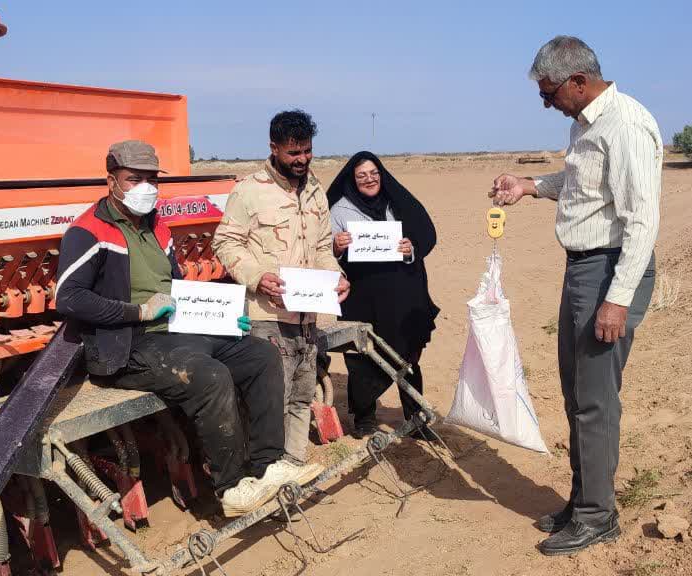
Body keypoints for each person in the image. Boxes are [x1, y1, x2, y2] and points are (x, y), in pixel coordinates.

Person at [56, 140, 309, 518]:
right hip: (129, 344)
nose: (146, 188)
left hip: (175, 333)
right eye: (134, 179)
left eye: (151, 180)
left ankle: (267, 466)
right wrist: (138, 311)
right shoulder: (88, 231)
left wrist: (222, 318)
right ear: (112, 181)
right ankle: (232, 486)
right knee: (209, 375)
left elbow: (178, 288)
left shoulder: (158, 227)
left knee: (260, 354)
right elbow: (69, 298)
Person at [488, 36, 661, 556]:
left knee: (594, 400)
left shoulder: (626, 125)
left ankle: (597, 515)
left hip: (610, 272)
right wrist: (529, 186)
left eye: (548, 93)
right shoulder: (585, 124)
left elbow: (642, 220)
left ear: (578, 82)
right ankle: (584, 497)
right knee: (576, 394)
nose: (546, 102)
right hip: (584, 270)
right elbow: (581, 183)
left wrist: (617, 299)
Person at [213, 110, 348, 484]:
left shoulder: (316, 190)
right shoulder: (250, 190)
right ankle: (261, 480)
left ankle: (291, 474)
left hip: (307, 317)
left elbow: (322, 247)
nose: (302, 159)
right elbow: (224, 242)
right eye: (293, 153)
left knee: (301, 398)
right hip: (266, 317)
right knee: (269, 405)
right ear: (273, 148)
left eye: (307, 151)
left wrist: (337, 276)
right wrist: (257, 277)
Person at [325, 151, 440, 440]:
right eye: (361, 175)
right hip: (363, 297)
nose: (369, 179)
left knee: (408, 354)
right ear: (352, 179)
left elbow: (423, 234)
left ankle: (416, 418)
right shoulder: (339, 210)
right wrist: (336, 245)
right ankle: (364, 417)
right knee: (364, 355)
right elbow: (321, 250)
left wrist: (409, 248)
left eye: (374, 173)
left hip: (402, 293)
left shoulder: (395, 202)